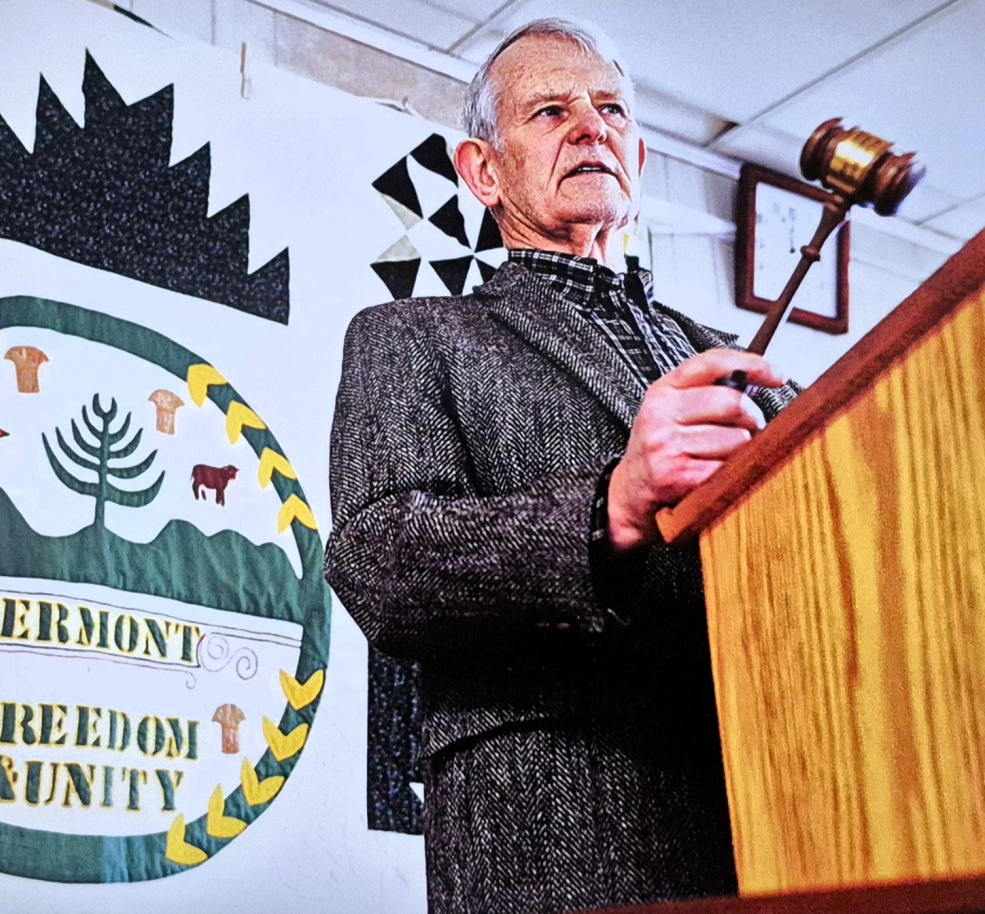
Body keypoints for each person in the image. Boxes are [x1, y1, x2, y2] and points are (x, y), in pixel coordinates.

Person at [326, 18, 796, 914]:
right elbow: (381, 562)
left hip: (785, 813)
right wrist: (608, 509)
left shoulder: (741, 363)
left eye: (610, 108)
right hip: (556, 835)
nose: (591, 125)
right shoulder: (412, 336)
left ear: (640, 158)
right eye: (551, 110)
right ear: (483, 172)